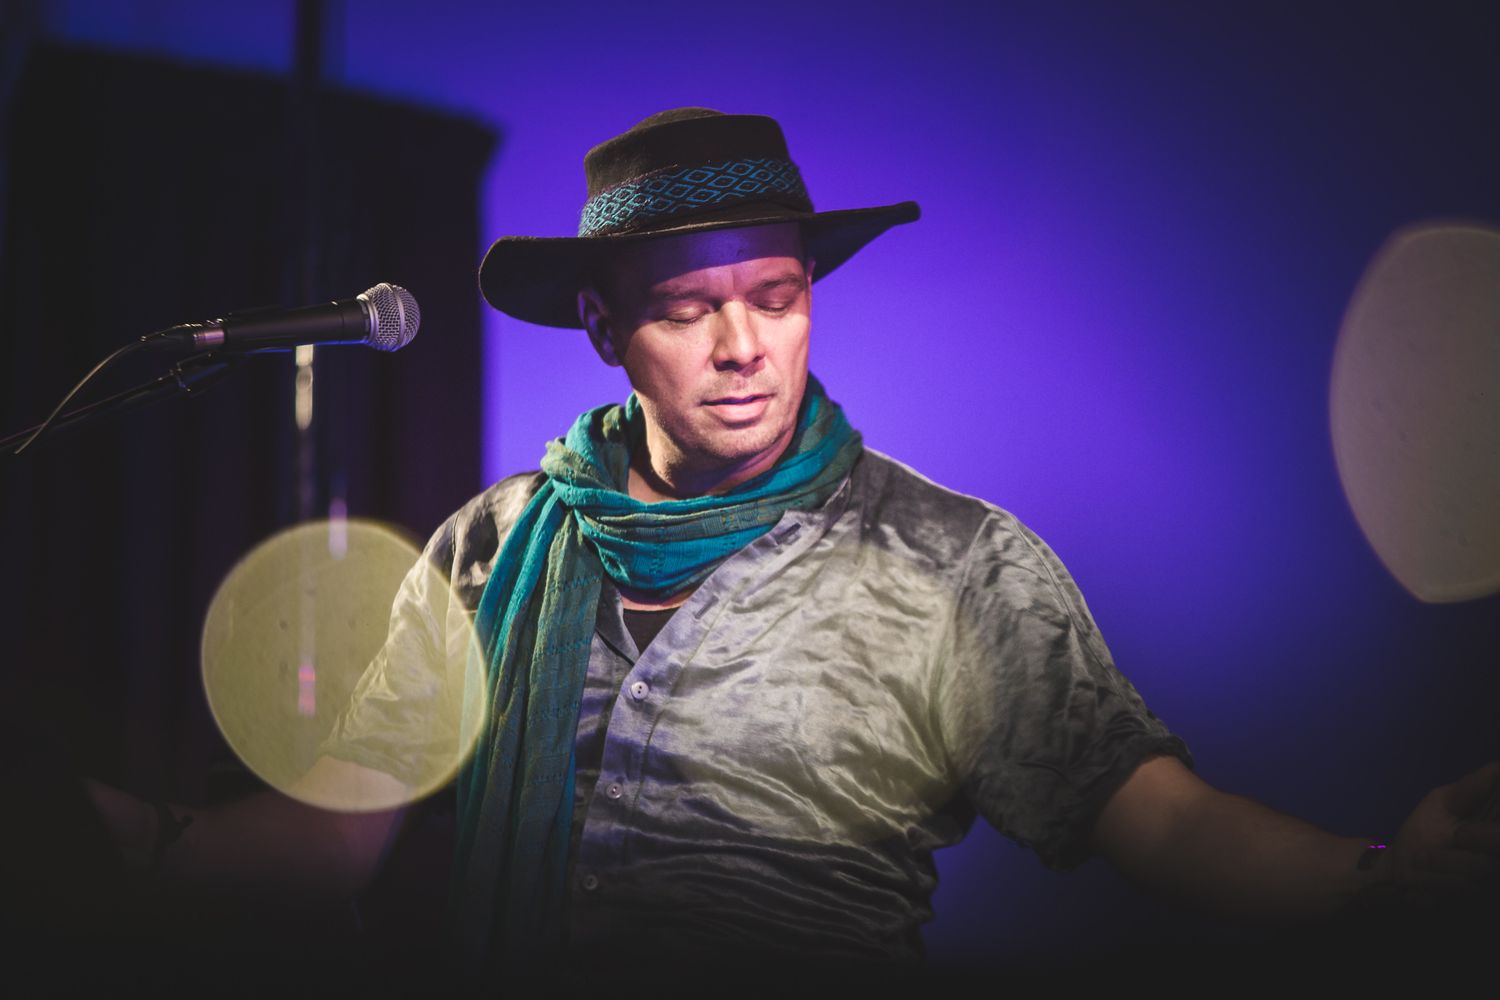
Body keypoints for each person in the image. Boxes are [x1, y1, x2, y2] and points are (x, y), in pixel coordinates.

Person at [88, 107, 1499, 991]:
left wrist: (1376, 875)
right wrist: (106, 837)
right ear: (604, 328)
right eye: (686, 309)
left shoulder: (954, 562)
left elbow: (1158, 817)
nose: (744, 345)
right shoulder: (493, 543)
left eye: (776, 294)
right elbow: (337, 837)